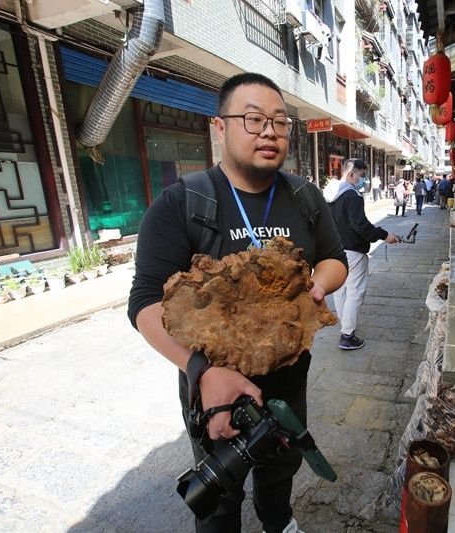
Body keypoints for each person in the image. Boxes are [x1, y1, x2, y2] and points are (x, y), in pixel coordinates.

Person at [127, 73, 348, 533]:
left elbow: (335, 258)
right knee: (219, 498)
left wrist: (317, 287)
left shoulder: (305, 197)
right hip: (214, 393)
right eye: (252, 119)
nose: (269, 131)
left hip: (288, 383)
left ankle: (279, 522)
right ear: (220, 127)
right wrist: (202, 371)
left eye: (280, 122)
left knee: (280, 472)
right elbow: (145, 303)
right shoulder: (181, 203)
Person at [324, 159, 399, 350]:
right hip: (353, 252)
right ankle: (347, 335)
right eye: (362, 175)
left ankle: (345, 326)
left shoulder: (330, 195)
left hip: (334, 250)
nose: (364, 180)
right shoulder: (352, 197)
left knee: (341, 291)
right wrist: (384, 235)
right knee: (355, 292)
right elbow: (361, 226)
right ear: (351, 175)